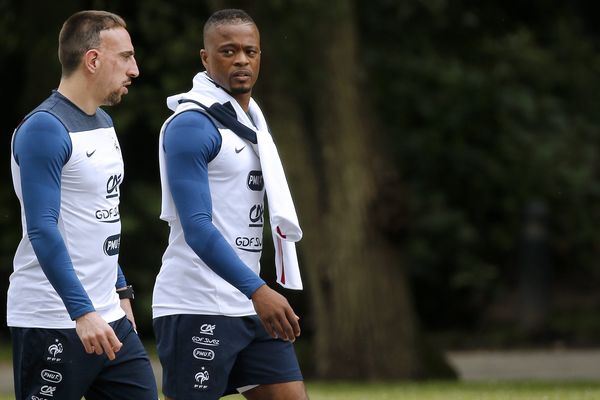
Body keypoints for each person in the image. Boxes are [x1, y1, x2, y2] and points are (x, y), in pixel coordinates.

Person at [152, 8, 308, 400]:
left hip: (249, 304)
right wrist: (259, 290)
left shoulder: (252, 121)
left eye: (250, 52)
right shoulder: (192, 125)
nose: (241, 60)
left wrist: (254, 293)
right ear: (205, 58)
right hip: (198, 304)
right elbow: (198, 228)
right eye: (228, 51)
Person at [8, 10, 157, 400]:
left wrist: (121, 292)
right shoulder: (44, 129)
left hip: (108, 316)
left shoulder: (104, 123)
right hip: (54, 319)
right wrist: (81, 312)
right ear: (92, 60)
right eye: (125, 57)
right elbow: (42, 229)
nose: (135, 69)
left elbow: (100, 220)